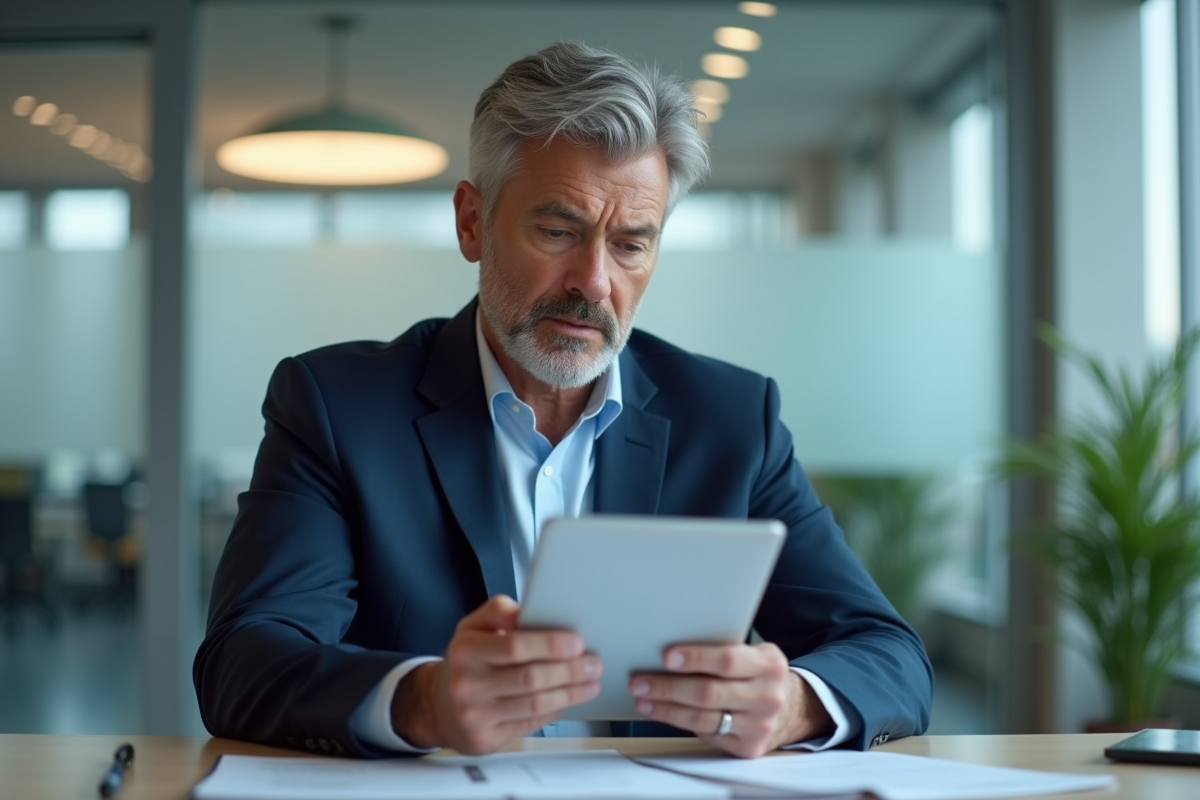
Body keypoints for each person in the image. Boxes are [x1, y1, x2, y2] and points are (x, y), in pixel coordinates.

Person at [194, 41, 932, 760]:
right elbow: (243, 661)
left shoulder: (733, 419)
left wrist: (794, 704)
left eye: (631, 245)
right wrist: (424, 701)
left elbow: (889, 653)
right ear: (472, 223)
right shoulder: (337, 407)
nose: (595, 282)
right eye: (558, 230)